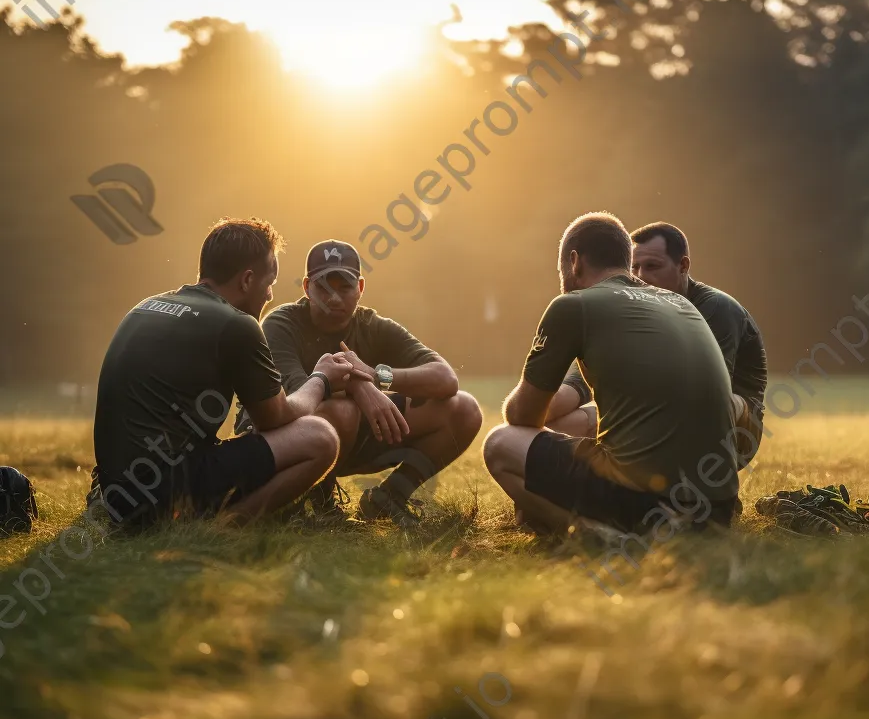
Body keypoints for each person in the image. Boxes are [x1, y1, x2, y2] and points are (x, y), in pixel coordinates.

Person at [91, 218, 366, 528]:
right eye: (269, 284)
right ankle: (224, 528)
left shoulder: (146, 306)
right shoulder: (235, 324)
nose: (270, 296)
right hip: (156, 498)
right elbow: (276, 417)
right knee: (321, 437)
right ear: (247, 281)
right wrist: (321, 379)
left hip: (114, 492)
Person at [483, 212, 739, 535]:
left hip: (646, 504)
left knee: (499, 444)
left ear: (574, 262)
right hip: (717, 508)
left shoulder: (574, 305)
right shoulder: (679, 303)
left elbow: (524, 416)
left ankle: (596, 534)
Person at [241, 240, 482, 526]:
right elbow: (298, 397)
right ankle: (320, 505)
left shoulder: (373, 325)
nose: (334, 298)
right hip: (281, 442)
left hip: (351, 435)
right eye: (323, 288)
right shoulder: (281, 324)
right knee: (340, 410)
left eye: (344, 287)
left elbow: (445, 379)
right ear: (306, 287)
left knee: (464, 409)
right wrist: (359, 384)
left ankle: (389, 497)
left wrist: (376, 375)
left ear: (360, 289)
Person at [549, 221, 768, 469]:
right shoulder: (630, 309)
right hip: (658, 414)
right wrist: (538, 412)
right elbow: (580, 382)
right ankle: (599, 486)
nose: (641, 277)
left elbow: (710, 399)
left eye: (652, 266)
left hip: (730, 432)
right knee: (558, 423)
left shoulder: (716, 309)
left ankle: (700, 491)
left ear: (683, 265)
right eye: (634, 267)